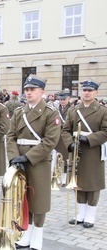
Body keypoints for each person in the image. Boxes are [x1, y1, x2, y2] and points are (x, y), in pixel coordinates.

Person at [7, 74, 60, 249]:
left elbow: (50, 141)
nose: (28, 93)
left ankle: (38, 234)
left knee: (38, 199)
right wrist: (14, 157)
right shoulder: (19, 112)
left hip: (38, 160)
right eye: (27, 90)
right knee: (23, 198)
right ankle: (26, 233)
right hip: (20, 159)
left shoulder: (50, 113)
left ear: (42, 92)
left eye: (32, 90)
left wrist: (28, 157)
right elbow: (11, 136)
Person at [62, 79, 107, 229]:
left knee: (92, 184)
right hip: (76, 150)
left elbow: (105, 132)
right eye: (84, 90)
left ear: (96, 93)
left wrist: (88, 138)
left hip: (93, 151)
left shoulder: (102, 111)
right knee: (78, 182)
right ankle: (80, 213)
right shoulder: (73, 110)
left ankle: (90, 216)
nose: (86, 93)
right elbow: (65, 130)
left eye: (90, 90)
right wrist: (70, 143)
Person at [53, 89, 73, 186]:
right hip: (57, 136)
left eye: (64, 99)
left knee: (66, 159)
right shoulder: (56, 109)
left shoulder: (72, 109)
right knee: (57, 158)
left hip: (67, 136)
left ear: (68, 99)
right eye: (60, 99)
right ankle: (57, 177)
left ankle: (65, 179)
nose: (62, 101)